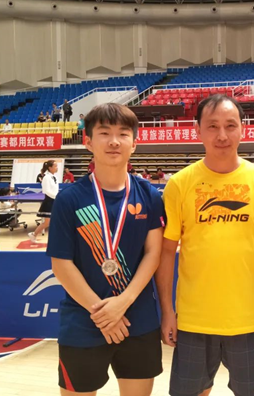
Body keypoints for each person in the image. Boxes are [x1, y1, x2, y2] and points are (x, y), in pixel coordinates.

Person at [155, 94, 254, 396]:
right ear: (198, 130)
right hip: (193, 320)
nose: (222, 135)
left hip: (250, 320)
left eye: (230, 125)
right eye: (212, 126)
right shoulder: (179, 184)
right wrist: (167, 310)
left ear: (243, 129)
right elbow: (166, 251)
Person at [46, 102, 165, 395]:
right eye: (104, 133)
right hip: (83, 321)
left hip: (138, 319)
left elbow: (154, 253)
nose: (114, 141)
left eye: (123, 133)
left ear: (134, 144)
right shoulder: (69, 199)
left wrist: (123, 302)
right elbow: (61, 264)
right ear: (88, 142)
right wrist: (102, 314)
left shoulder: (149, 195)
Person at [28, 160, 59, 243]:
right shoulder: (46, 178)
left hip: (55, 201)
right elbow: (46, 191)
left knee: (55, 221)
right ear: (50, 167)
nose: (57, 168)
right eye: (55, 166)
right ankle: (34, 234)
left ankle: (35, 234)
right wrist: (56, 197)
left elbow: (55, 190)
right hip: (49, 202)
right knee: (47, 223)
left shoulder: (54, 177)